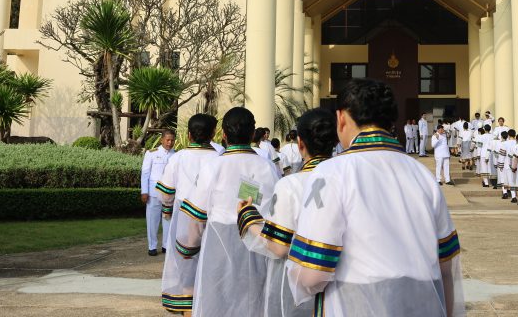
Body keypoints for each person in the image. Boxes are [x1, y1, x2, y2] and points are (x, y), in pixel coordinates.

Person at [286, 79, 464, 316]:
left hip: (355, 304)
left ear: (340, 118)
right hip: (422, 305)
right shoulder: (423, 174)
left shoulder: (331, 172)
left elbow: (311, 273)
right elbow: (446, 268)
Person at [176, 107, 280, 317]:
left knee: (217, 303)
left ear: (223, 134)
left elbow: (196, 218)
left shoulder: (214, 166)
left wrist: (188, 247)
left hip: (219, 243)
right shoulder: (267, 167)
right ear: (252, 134)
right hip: (257, 244)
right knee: (254, 301)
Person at [237, 108, 338, 317]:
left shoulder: (290, 184)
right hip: (342, 284)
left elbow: (279, 247)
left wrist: (248, 218)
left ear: (300, 143)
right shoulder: (351, 180)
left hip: (297, 285)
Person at [158, 115, 222, 315]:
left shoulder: (178, 158)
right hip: (213, 218)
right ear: (213, 134)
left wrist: (167, 208)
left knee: (186, 269)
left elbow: (165, 192)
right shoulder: (220, 157)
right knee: (213, 269)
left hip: (184, 217)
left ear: (188, 134)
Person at [141, 130, 176, 256]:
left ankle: (166, 245)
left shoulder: (176, 155)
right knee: (152, 220)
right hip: (154, 192)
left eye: (172, 140)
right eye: (167, 140)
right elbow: (145, 173)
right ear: (161, 140)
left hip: (169, 194)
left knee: (168, 219)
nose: (169, 142)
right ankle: (152, 246)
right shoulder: (152, 153)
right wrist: (144, 191)